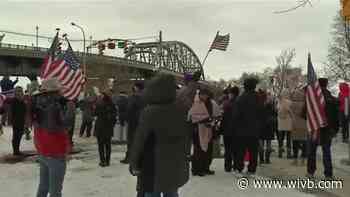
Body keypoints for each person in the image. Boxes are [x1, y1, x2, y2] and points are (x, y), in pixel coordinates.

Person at [129, 74, 190, 197]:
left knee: (152, 192)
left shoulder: (150, 112)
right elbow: (186, 137)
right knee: (171, 191)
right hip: (174, 162)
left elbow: (140, 141)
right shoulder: (181, 109)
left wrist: (134, 163)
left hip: (153, 164)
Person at [32, 78, 71, 197]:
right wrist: (70, 111)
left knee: (43, 187)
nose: (61, 93)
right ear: (54, 92)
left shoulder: (38, 104)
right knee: (55, 191)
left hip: (43, 151)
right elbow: (58, 128)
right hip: (55, 153)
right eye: (59, 91)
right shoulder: (54, 106)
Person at [307, 78, 339, 179]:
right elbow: (335, 117)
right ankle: (328, 174)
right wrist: (335, 129)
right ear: (326, 84)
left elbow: (304, 113)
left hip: (314, 128)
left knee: (312, 151)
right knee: (326, 152)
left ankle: (310, 172)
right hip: (327, 129)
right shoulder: (332, 99)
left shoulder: (312, 99)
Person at [232, 78, 264, 176]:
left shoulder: (240, 98)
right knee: (253, 151)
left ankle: (238, 168)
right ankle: (252, 170)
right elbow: (262, 113)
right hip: (255, 129)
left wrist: (235, 126)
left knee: (240, 150)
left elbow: (236, 115)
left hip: (241, 129)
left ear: (245, 86)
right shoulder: (258, 98)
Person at [189, 88, 221, 176]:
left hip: (208, 129)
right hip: (197, 130)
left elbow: (217, 115)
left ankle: (206, 167)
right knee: (198, 150)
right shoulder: (195, 102)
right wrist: (204, 120)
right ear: (200, 94)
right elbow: (192, 116)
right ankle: (196, 169)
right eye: (204, 95)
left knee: (208, 150)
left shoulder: (211, 103)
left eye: (207, 95)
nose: (205, 97)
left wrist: (213, 122)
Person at [121, 82, 145, 164]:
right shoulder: (147, 97)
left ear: (137, 88)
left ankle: (130, 158)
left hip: (133, 122)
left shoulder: (134, 97)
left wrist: (125, 118)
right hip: (142, 122)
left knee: (131, 141)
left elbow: (129, 109)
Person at [94, 88, 117, 167]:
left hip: (100, 127)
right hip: (108, 127)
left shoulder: (99, 104)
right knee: (108, 145)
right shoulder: (112, 104)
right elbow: (114, 116)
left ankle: (102, 161)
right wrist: (112, 124)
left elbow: (95, 113)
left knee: (100, 146)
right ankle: (108, 161)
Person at [220, 86, 240, 172]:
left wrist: (221, 129)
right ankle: (236, 166)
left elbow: (224, 118)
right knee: (236, 149)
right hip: (237, 130)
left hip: (227, 130)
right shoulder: (240, 103)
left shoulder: (226, 104)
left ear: (232, 94)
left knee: (228, 149)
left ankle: (227, 167)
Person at [290, 89, 307, 166]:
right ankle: (303, 159)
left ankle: (295, 159)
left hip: (295, 125)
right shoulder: (305, 104)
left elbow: (290, 114)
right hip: (304, 125)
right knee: (304, 143)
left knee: (295, 143)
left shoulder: (292, 104)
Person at [259, 91, 276, 164]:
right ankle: (267, 159)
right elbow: (275, 114)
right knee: (268, 143)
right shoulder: (271, 105)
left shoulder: (259, 105)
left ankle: (261, 159)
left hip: (261, 126)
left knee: (260, 144)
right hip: (269, 126)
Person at [9, 86, 27, 155]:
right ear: (15, 92)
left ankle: (17, 150)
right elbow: (11, 112)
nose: (20, 92)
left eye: (20, 91)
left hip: (22, 121)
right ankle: (15, 151)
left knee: (19, 136)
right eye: (18, 91)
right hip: (15, 121)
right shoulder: (13, 101)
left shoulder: (23, 101)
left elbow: (25, 111)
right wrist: (10, 121)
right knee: (16, 137)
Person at [277, 91, 293, 158]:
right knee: (288, 138)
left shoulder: (279, 102)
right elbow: (291, 111)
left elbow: (277, 110)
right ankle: (288, 154)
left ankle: (280, 153)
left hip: (281, 122)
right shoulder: (290, 102)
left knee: (281, 138)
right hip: (288, 121)